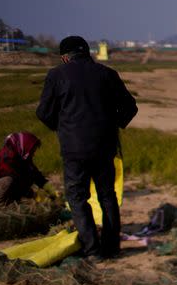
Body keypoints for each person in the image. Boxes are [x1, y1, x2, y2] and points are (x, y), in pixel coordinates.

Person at [36, 35, 138, 260]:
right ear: (88, 53)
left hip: (73, 150)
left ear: (64, 57)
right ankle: (112, 249)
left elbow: (43, 113)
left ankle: (93, 251)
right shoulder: (107, 74)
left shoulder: (56, 76)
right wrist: (114, 123)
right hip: (105, 147)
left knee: (77, 197)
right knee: (107, 196)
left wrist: (62, 128)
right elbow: (130, 108)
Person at [0, 131, 54, 208]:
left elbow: (35, 174)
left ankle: (10, 202)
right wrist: (36, 196)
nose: (33, 154)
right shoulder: (7, 158)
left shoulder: (22, 157)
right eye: (32, 151)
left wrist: (52, 191)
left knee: (27, 176)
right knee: (9, 180)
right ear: (25, 146)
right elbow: (17, 181)